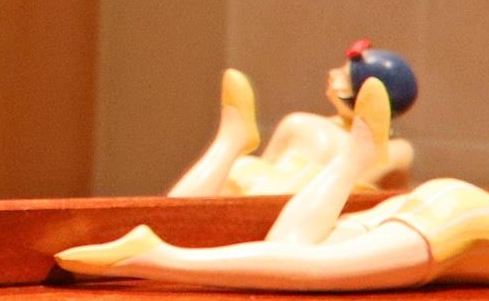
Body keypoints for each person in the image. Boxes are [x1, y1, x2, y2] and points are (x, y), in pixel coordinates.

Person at [63, 49, 489, 290]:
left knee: (291, 250)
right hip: (464, 226)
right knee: (311, 272)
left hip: (462, 221)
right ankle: (154, 258)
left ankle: (352, 158)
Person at [168, 40, 418, 198]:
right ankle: (231, 139)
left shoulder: (396, 150)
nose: (331, 74)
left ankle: (231, 141)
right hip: (284, 202)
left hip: (307, 205)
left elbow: (383, 197)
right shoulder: (301, 124)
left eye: (343, 75)